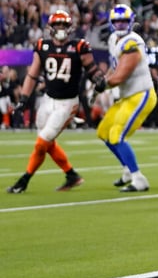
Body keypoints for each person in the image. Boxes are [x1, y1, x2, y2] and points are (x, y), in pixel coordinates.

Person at [6, 10, 106, 193]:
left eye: (64, 25)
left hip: (67, 103)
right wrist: (24, 99)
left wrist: (100, 79)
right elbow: (32, 75)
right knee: (46, 141)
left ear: (69, 28)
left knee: (42, 143)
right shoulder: (42, 46)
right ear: (50, 28)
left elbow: (92, 70)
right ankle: (71, 175)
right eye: (57, 25)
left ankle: (24, 180)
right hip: (47, 100)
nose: (60, 28)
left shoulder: (79, 47)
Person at [99, 5, 158, 192]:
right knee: (104, 131)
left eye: (124, 20)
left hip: (141, 94)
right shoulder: (113, 39)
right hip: (127, 96)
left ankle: (138, 178)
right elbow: (114, 68)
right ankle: (127, 169)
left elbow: (120, 76)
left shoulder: (132, 42)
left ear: (131, 21)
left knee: (117, 135)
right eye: (117, 21)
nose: (120, 24)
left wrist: (103, 84)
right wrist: (104, 79)